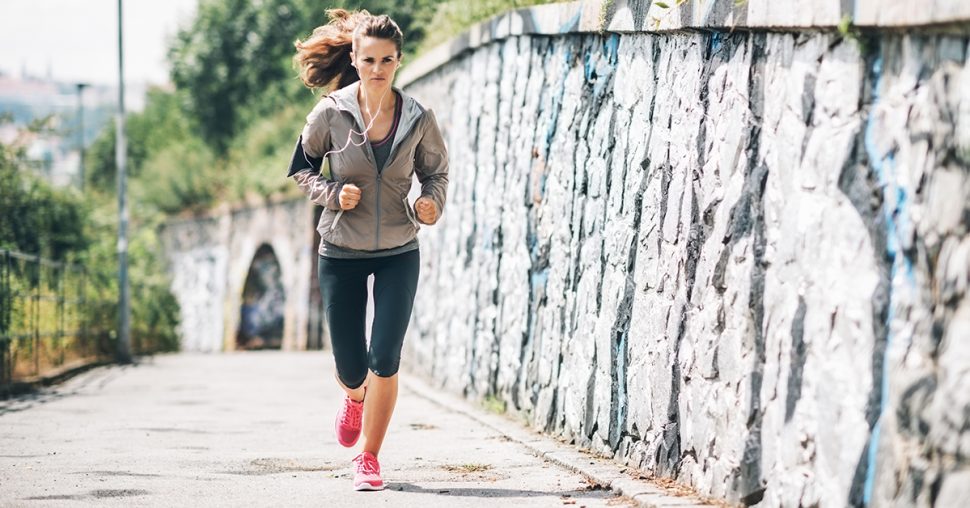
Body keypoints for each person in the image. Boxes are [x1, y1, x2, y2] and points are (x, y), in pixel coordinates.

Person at [288, 9, 449, 492]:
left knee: (385, 355)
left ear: (398, 61)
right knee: (351, 365)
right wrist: (332, 194)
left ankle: (369, 458)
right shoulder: (330, 113)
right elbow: (301, 168)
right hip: (340, 249)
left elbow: (436, 174)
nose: (378, 68)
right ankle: (353, 395)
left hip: (399, 247)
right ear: (354, 59)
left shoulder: (419, 117)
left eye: (387, 60)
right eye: (369, 59)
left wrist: (430, 203)